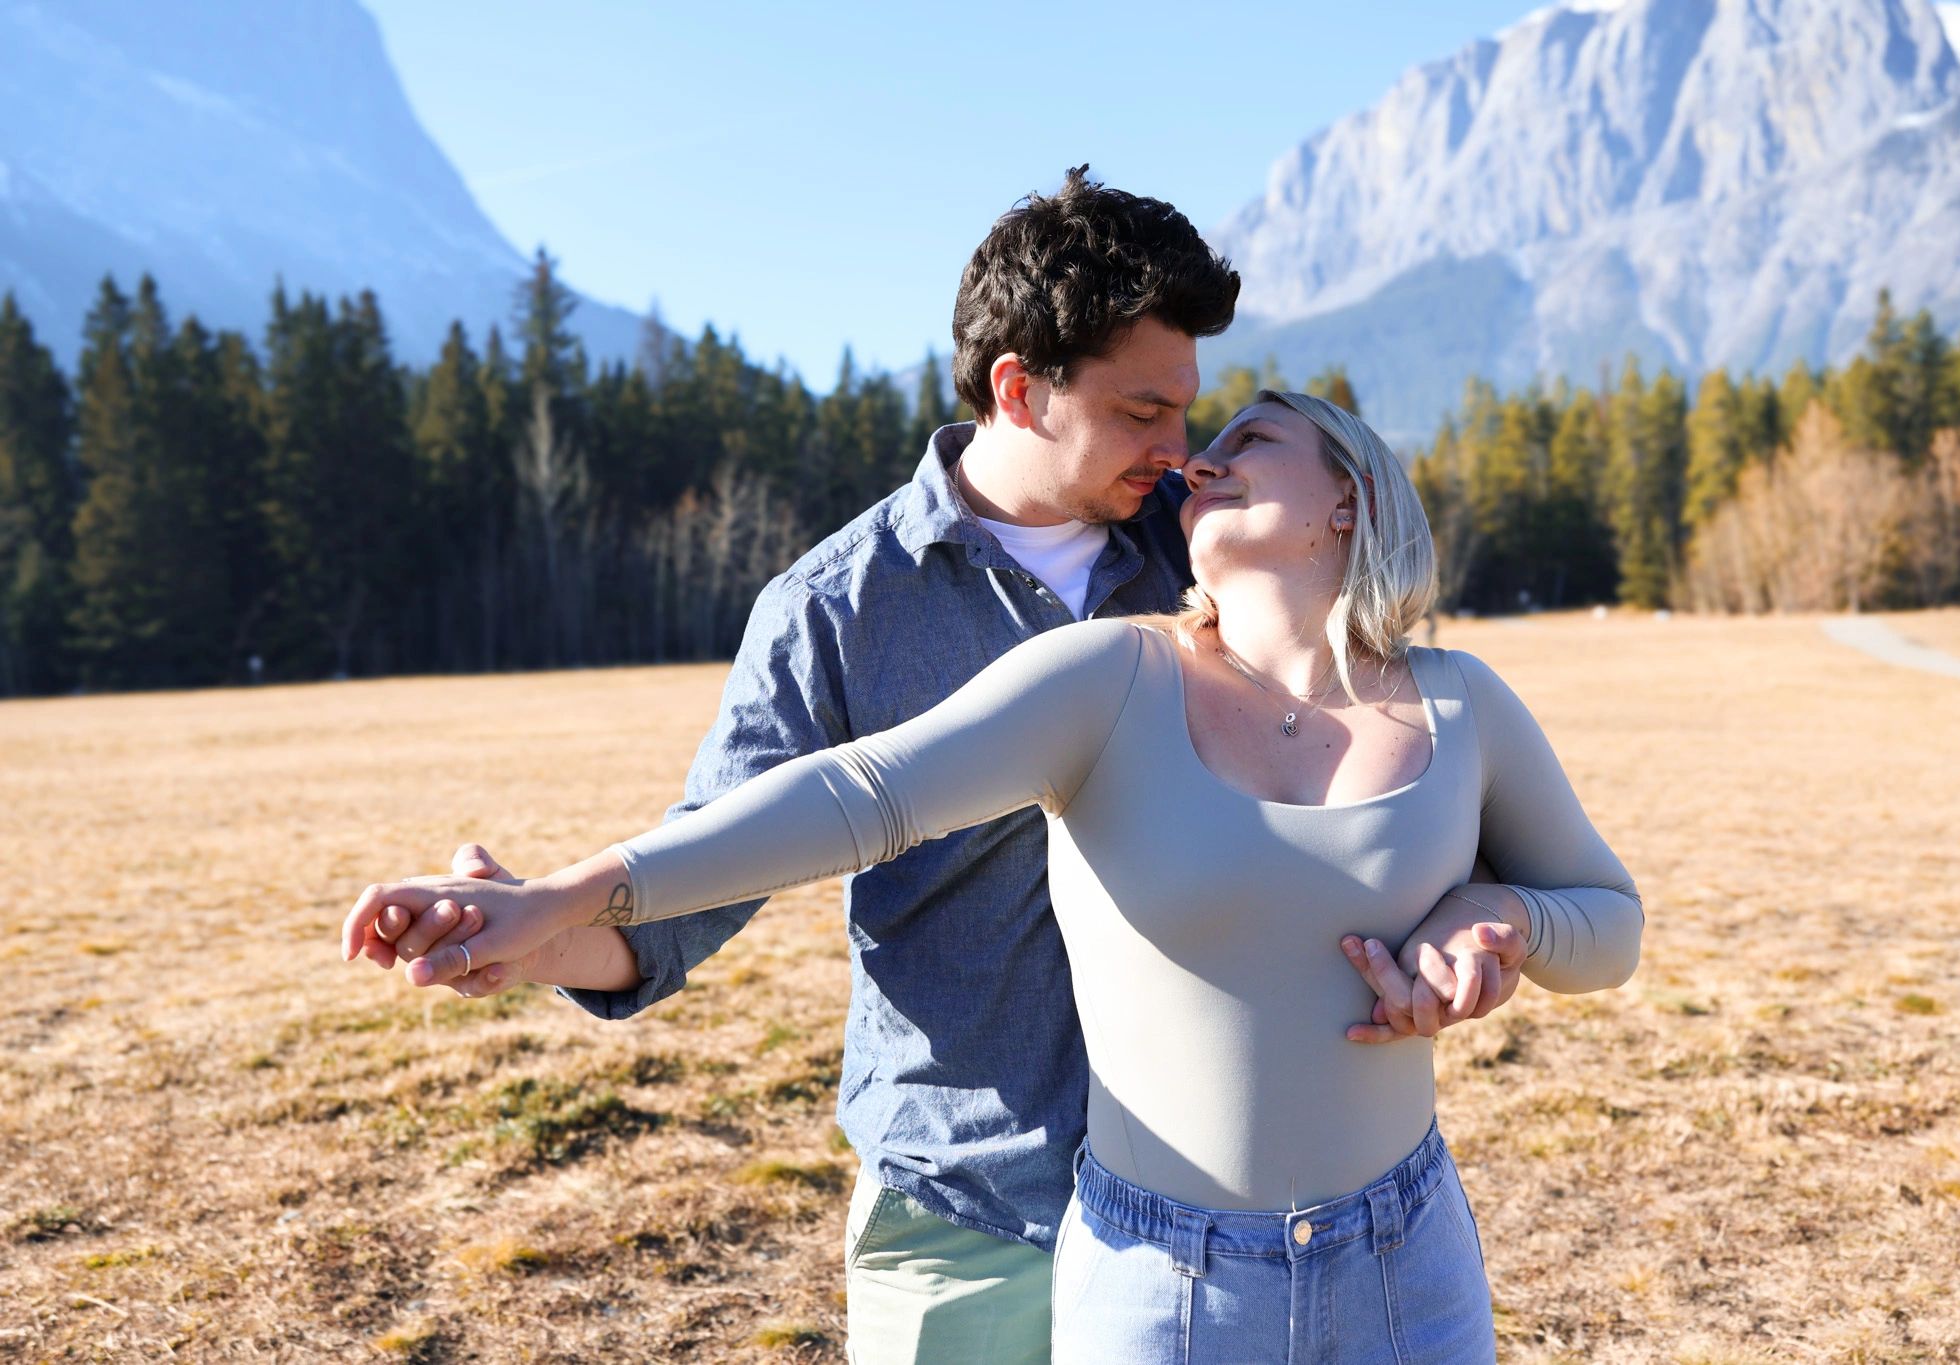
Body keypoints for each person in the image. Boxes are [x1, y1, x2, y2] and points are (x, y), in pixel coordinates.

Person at [350, 171, 1538, 1363]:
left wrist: (1490, 907)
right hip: (968, 1216)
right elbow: (717, 869)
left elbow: (1416, 811)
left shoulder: (1202, 570)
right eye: (1140, 413)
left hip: (1205, 1228)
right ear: (1018, 391)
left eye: (1187, 409)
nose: (1180, 453)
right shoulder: (837, 608)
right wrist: (543, 927)